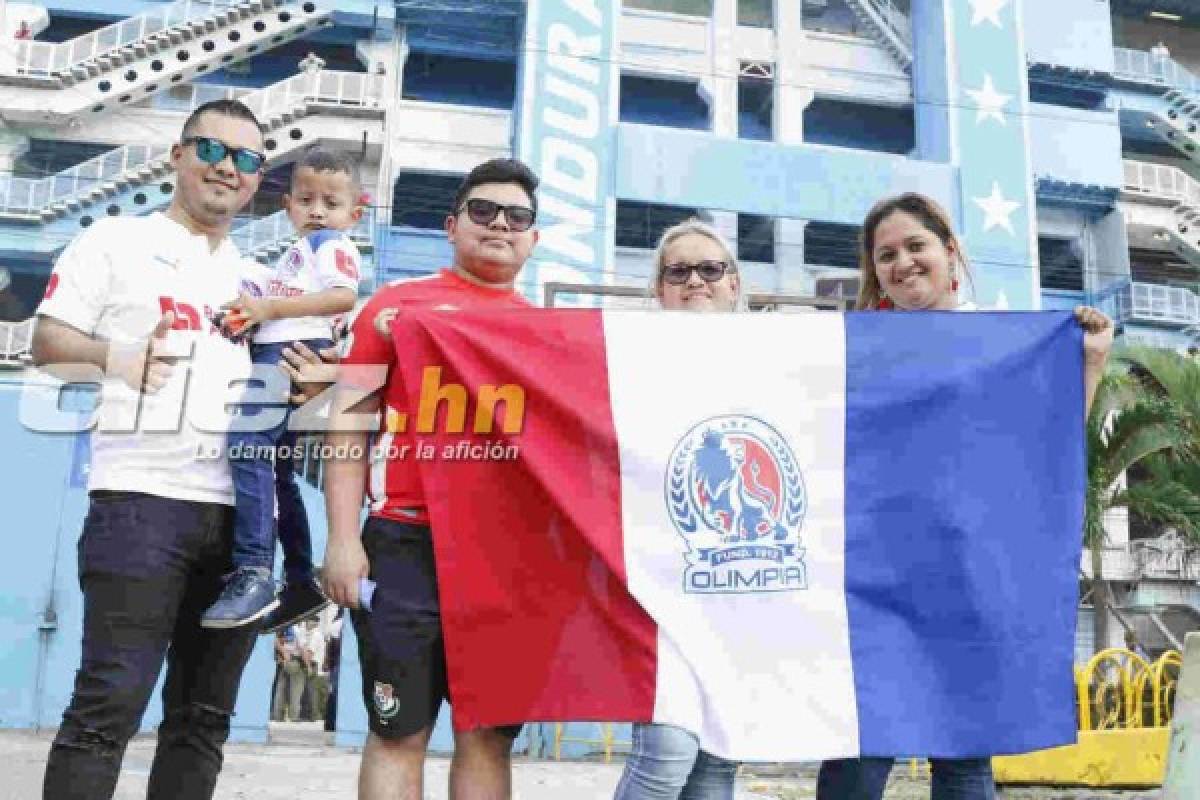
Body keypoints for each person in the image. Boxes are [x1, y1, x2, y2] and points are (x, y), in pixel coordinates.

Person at [816, 192, 1114, 800]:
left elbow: (1045, 451)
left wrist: (1088, 364)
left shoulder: (1005, 345)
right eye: (886, 255)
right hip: (873, 587)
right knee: (857, 758)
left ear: (950, 252)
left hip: (969, 583)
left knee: (962, 763)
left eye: (915, 245)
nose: (902, 262)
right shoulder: (852, 349)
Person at [32, 98, 267, 800]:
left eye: (248, 160)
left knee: (202, 722)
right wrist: (118, 355)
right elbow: (48, 342)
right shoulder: (113, 241)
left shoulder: (257, 280)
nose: (229, 168)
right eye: (213, 150)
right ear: (177, 154)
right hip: (140, 503)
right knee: (108, 708)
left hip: (240, 525)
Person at [322, 157, 540, 800]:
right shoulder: (392, 307)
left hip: (507, 559)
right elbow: (348, 425)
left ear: (534, 238)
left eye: (518, 216)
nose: (500, 223)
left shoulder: (546, 335)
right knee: (398, 730)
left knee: (488, 737)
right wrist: (342, 539)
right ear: (452, 225)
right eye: (483, 210)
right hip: (402, 545)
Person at [201, 146, 361, 630]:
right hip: (287, 352)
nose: (317, 211)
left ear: (354, 213)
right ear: (288, 205)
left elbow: (343, 296)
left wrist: (268, 311)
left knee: (248, 447)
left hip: (288, 357)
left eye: (330, 203)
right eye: (307, 200)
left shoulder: (328, 246)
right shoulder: (295, 256)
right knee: (280, 473)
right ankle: (298, 580)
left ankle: (253, 570)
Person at [612, 218, 743, 800]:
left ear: (734, 284)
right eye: (679, 271)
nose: (696, 281)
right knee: (665, 755)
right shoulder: (624, 360)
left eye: (711, 269)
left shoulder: (781, 359)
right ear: (659, 291)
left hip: (747, 591)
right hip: (659, 590)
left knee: (719, 763)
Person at [271, 626, 308, 723]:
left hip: (282, 661)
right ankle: (294, 716)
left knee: (280, 689)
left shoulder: (282, 627)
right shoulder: (297, 630)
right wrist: (308, 666)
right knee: (296, 690)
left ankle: (278, 715)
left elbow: (275, 642)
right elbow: (303, 649)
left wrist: (283, 652)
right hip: (294, 661)